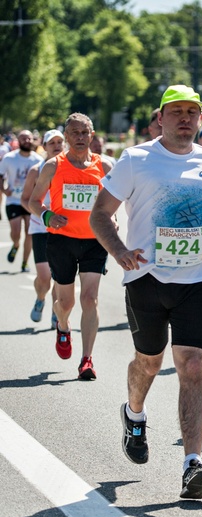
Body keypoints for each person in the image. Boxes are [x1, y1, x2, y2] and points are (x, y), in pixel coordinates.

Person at [89, 85, 202, 500]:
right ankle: (134, 414)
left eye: (192, 112)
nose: (185, 118)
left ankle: (192, 464)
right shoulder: (137, 159)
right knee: (148, 363)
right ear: (160, 117)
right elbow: (100, 214)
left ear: (200, 119)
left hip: (197, 278)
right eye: (176, 111)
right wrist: (120, 251)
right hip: (146, 279)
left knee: (194, 365)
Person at [28, 115, 111, 380]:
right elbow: (34, 201)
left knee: (90, 298)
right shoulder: (53, 166)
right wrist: (47, 216)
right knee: (65, 302)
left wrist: (113, 220)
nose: (79, 137)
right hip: (62, 241)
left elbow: (113, 201)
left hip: (94, 240)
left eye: (84, 132)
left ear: (92, 134)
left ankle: (87, 359)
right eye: (74, 132)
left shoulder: (105, 165)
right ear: (66, 135)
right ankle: (63, 326)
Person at [21, 129, 64, 326]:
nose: (56, 146)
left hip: (63, 229)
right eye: (52, 142)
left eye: (60, 142)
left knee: (60, 275)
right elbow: (25, 199)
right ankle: (40, 298)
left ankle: (56, 310)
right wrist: (42, 213)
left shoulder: (70, 168)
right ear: (44, 147)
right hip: (40, 228)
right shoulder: (36, 170)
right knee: (45, 278)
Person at [0, 130, 44, 272]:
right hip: (13, 200)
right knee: (16, 232)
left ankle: (25, 262)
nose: (27, 141)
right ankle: (16, 244)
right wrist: (4, 190)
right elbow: (1, 176)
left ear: (33, 140)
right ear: (18, 141)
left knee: (29, 233)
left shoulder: (38, 160)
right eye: (23, 138)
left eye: (29, 138)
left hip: (30, 201)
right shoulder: (9, 158)